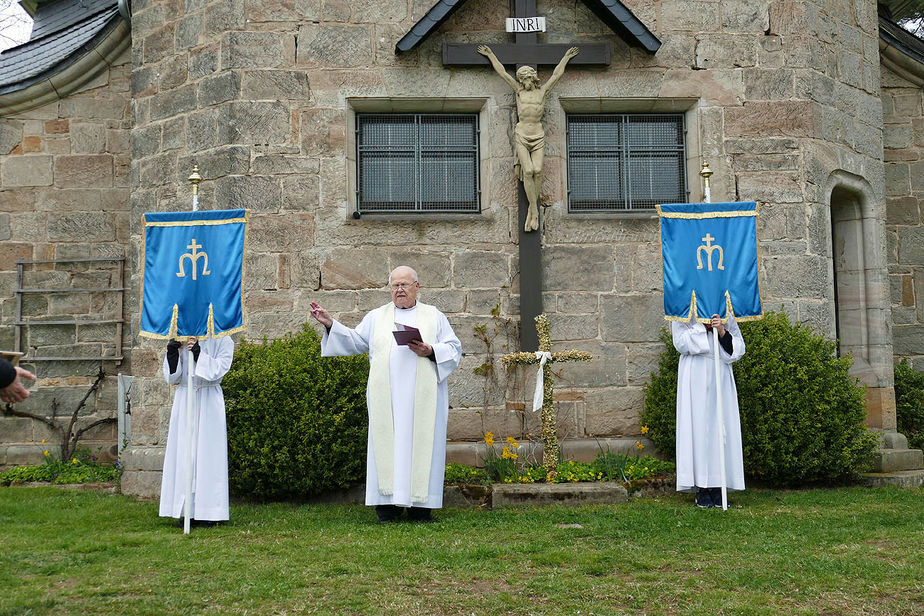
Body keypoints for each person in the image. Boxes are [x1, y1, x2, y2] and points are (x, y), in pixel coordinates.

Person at [310, 266, 462, 523]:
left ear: (417, 287)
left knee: (420, 446)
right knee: (388, 446)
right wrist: (331, 324)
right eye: (394, 285)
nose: (399, 290)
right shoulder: (377, 317)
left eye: (404, 284)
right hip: (387, 401)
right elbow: (356, 341)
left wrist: (431, 350)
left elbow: (454, 348)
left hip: (421, 402)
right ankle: (387, 509)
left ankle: (419, 509)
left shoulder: (434, 316)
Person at [477, 44, 579, 232]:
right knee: (529, 170)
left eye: (527, 78)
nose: (525, 81)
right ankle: (533, 209)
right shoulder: (518, 91)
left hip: (538, 134)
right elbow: (502, 73)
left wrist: (565, 57)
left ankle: (533, 208)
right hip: (522, 134)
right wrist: (491, 55)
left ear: (533, 77)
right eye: (522, 79)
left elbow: (556, 75)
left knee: (538, 170)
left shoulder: (542, 92)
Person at [159, 335, 235, 526]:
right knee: (185, 455)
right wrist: (172, 354)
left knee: (207, 456)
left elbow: (219, 370)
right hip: (185, 398)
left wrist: (199, 354)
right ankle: (187, 511)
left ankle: (209, 511)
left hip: (209, 398)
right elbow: (172, 377)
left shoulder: (224, 339)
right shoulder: (182, 336)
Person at [672, 313, 745, 508]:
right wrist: (702, 328)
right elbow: (680, 342)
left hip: (719, 372)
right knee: (698, 428)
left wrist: (721, 330)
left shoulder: (724, 310)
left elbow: (737, 348)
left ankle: (718, 486)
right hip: (695, 372)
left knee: (720, 429)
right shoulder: (683, 308)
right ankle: (701, 488)